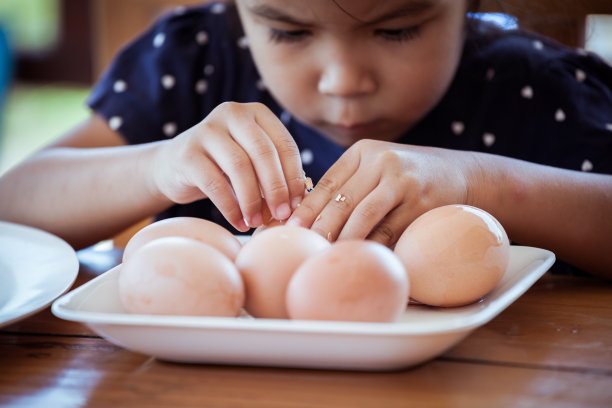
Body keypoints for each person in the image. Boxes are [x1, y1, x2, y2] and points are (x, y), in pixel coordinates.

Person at [0, 0, 611, 278]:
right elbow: (13, 205)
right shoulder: (197, 63)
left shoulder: (530, 89)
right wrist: (155, 165)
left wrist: (487, 183)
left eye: (397, 30)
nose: (344, 82)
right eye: (288, 32)